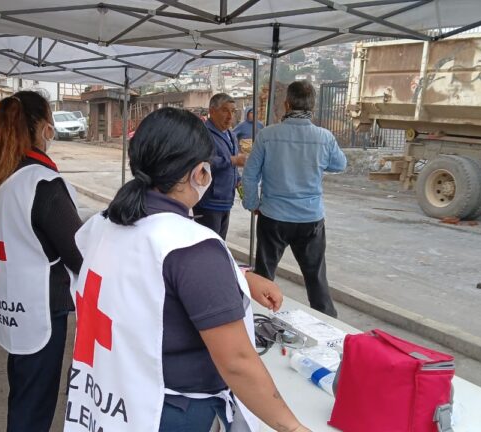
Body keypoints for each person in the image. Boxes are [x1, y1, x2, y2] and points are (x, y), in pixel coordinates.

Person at [65, 107, 310, 432]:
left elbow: (144, 273)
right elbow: (237, 362)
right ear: (200, 173)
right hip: (170, 412)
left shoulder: (103, 224)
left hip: (110, 394)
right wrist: (294, 428)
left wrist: (241, 277)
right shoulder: (192, 248)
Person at [0, 91, 83, 431]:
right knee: (35, 402)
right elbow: (78, 253)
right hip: (41, 306)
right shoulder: (43, 182)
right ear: (43, 128)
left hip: (10, 299)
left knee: (23, 389)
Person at [242, 81, 347, 318]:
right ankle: (328, 325)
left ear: (287, 104)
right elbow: (340, 164)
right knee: (316, 278)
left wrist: (253, 204)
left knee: (264, 276)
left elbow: (249, 176)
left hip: (273, 217)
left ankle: (257, 321)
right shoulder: (324, 137)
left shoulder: (267, 135)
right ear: (313, 107)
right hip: (310, 219)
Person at [193, 93, 247, 240]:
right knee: (208, 245)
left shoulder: (231, 134)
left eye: (233, 111)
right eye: (225, 110)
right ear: (212, 111)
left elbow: (233, 167)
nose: (230, 116)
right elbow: (202, 161)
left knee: (220, 243)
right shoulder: (202, 133)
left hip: (226, 200)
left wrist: (238, 181)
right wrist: (232, 160)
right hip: (208, 202)